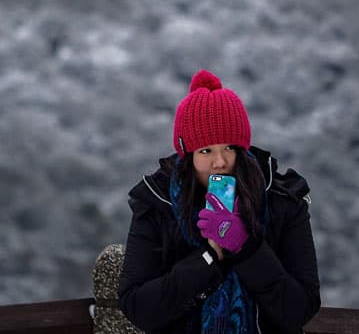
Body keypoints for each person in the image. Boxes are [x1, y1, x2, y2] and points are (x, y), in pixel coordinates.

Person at [119, 69, 320, 334]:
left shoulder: (283, 200)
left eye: (230, 147)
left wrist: (245, 247)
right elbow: (138, 307)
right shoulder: (157, 203)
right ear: (188, 154)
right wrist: (210, 256)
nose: (220, 162)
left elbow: (300, 308)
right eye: (206, 151)